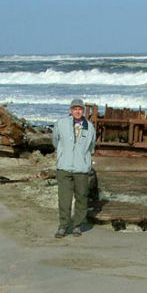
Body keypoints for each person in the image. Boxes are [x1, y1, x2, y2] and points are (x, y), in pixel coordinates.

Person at [52, 98, 96, 238]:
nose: (77, 111)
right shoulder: (61, 123)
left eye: (80, 109)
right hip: (64, 167)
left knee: (81, 198)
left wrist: (84, 161)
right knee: (64, 199)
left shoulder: (89, 127)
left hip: (81, 169)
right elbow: (55, 141)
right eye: (75, 109)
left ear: (83, 111)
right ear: (71, 110)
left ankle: (77, 225)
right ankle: (63, 226)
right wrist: (63, 154)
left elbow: (92, 146)